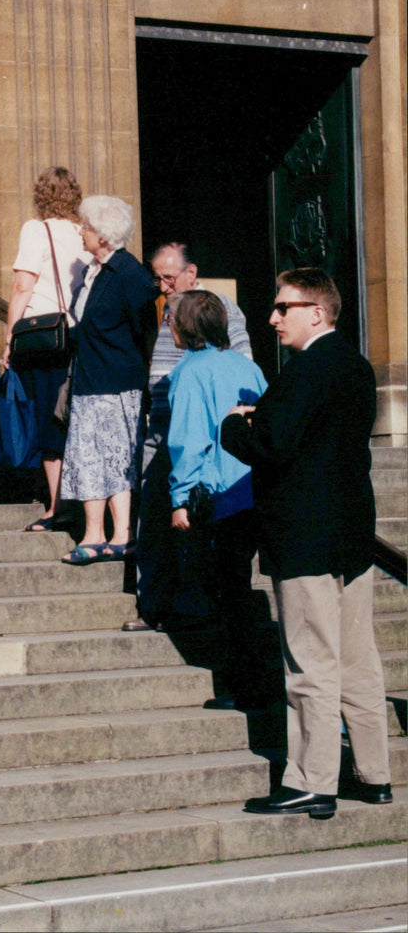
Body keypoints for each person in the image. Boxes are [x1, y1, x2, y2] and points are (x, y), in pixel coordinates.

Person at [222, 268, 391, 819]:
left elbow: (271, 445)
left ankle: (311, 781)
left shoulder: (305, 371)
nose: (273, 318)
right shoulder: (357, 367)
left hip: (305, 538)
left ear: (316, 311)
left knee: (311, 662)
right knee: (358, 659)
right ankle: (374, 774)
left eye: (282, 307)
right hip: (351, 536)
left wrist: (234, 425)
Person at [126, 241, 253, 632]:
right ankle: (157, 604)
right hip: (163, 425)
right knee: (155, 519)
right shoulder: (167, 307)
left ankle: (193, 606)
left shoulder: (214, 309)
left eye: (169, 276)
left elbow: (239, 369)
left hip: (199, 428)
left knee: (192, 519)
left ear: (191, 273)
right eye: (158, 277)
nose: (162, 285)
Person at [166, 290, 270, 708]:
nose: (167, 325)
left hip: (219, 494)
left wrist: (178, 498)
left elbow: (189, 441)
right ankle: (255, 679)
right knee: (240, 589)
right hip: (256, 487)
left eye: (171, 319)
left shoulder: (190, 372)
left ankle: (244, 685)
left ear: (185, 326)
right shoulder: (248, 365)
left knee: (229, 593)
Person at [59, 195, 158, 565]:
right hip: (87, 380)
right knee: (87, 458)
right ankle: (93, 534)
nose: (80, 231)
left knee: (117, 459)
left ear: (103, 234)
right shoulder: (92, 271)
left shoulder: (129, 274)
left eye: (85, 226)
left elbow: (145, 333)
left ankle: (122, 535)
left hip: (119, 384)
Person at [3, 167, 90, 531]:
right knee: (71, 417)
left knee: (46, 417)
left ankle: (57, 506)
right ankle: (79, 501)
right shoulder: (83, 233)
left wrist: (9, 336)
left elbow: (23, 286)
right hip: (78, 336)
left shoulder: (35, 229)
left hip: (44, 338)